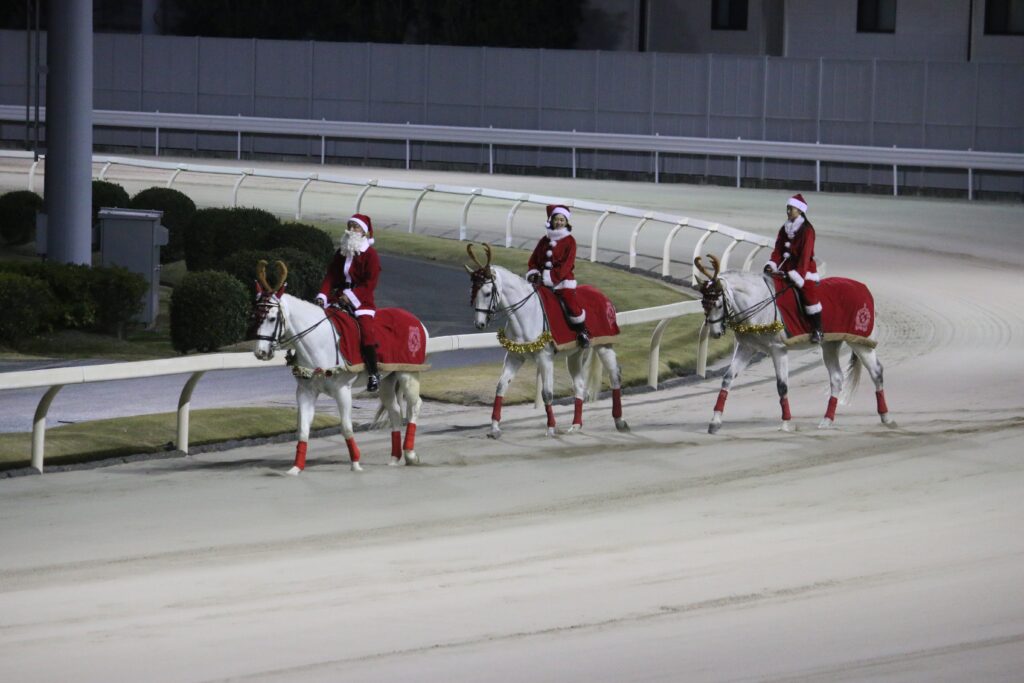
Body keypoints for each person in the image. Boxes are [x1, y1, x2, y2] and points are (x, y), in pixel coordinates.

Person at [316, 213, 382, 391]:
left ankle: (373, 373)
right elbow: (331, 276)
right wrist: (322, 295)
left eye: (356, 227)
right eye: (350, 226)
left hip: (361, 301)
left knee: (366, 331)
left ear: (364, 232)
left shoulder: (371, 255)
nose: (351, 230)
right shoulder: (342, 252)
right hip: (338, 296)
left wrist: (351, 296)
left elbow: (370, 283)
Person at [526, 204, 590, 348]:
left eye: (562, 220)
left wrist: (551, 278)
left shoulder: (570, 241)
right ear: (552, 220)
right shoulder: (544, 240)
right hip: (541, 280)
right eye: (557, 219)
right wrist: (534, 273)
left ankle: (582, 332)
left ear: (566, 222)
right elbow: (533, 260)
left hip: (562, 280)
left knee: (570, 302)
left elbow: (567, 265)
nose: (559, 222)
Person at [764, 193, 823, 343]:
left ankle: (817, 329)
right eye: (788, 208)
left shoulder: (808, 230)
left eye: (791, 209)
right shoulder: (784, 228)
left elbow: (805, 256)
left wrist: (797, 275)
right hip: (785, 269)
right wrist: (771, 264)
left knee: (809, 296)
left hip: (804, 271)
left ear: (800, 210)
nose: (788, 211)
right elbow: (778, 250)